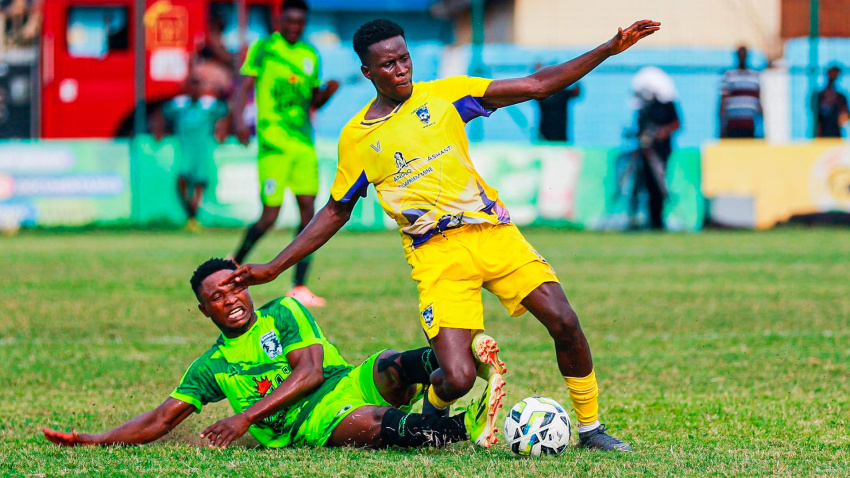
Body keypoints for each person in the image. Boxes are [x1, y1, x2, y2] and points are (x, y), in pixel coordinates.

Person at [221, 18, 661, 451]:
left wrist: (608, 48)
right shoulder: (357, 138)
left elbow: (537, 85)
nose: (401, 69)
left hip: (492, 233)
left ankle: (590, 429)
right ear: (367, 72)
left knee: (564, 320)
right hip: (436, 256)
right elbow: (337, 209)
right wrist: (276, 267)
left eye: (405, 58)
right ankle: (432, 418)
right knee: (458, 377)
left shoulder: (447, 95)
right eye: (389, 64)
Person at [42, 258, 505, 450]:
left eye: (233, 287)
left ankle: (462, 365)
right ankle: (466, 427)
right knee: (368, 422)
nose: (231, 299)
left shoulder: (283, 311)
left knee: (388, 362)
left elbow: (309, 373)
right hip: (309, 423)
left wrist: (244, 419)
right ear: (205, 312)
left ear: (245, 285)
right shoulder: (211, 367)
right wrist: (94, 440)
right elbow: (162, 419)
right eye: (216, 298)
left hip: (338, 382)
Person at [229, 0, 339, 307]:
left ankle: (299, 285)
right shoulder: (264, 48)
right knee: (270, 216)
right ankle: (232, 263)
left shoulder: (309, 54)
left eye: (299, 22)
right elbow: (244, 86)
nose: (294, 27)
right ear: (280, 20)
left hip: (303, 143)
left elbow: (312, 102)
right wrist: (237, 119)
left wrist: (327, 92)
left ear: (304, 23)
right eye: (289, 21)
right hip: (273, 144)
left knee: (309, 213)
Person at [152, 75, 229, 232]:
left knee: (200, 183)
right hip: (185, 150)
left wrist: (222, 130)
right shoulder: (179, 104)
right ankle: (190, 213)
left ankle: (193, 217)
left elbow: (227, 113)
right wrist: (158, 130)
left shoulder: (209, 105)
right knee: (181, 180)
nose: (195, 90)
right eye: (192, 85)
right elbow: (160, 113)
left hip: (202, 151)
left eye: (198, 86)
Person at [630, 66, 681, 231]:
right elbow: (639, 129)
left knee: (658, 186)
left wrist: (661, 132)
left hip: (660, 151)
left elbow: (677, 123)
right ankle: (641, 220)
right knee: (642, 185)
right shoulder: (643, 108)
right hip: (645, 152)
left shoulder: (666, 105)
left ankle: (658, 222)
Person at [719, 46, 761, 138]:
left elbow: (759, 101)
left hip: (749, 124)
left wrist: (761, 126)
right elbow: (723, 102)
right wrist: (721, 127)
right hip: (732, 125)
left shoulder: (755, 76)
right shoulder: (729, 76)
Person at [534, 63, 581, 142]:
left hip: (561, 135)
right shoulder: (542, 91)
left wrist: (575, 71)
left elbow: (577, 91)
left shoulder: (564, 93)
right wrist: (538, 72)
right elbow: (533, 89)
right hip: (544, 134)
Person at [815, 65, 849, 138]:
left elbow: (845, 117)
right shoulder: (818, 96)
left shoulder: (841, 97)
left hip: (835, 133)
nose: (833, 76)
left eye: (836, 74)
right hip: (821, 133)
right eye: (831, 73)